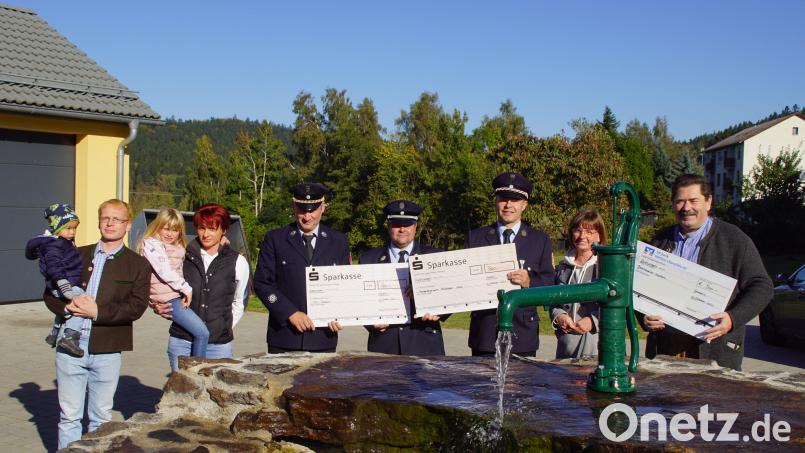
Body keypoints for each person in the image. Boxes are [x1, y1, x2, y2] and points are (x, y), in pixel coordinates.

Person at [42, 199, 151, 449]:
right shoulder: (74, 253)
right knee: (69, 417)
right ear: (99, 221)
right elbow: (49, 293)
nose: (110, 223)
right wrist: (65, 307)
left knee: (101, 419)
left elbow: (137, 307)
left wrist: (98, 311)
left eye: (117, 219)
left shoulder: (138, 264)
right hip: (69, 349)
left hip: (107, 351)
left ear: (128, 225)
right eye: (105, 218)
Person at [640, 174, 773, 371]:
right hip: (666, 348)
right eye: (680, 201)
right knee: (666, 401)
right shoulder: (660, 241)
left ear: (708, 201)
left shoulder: (734, 240)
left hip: (714, 348)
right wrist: (643, 317)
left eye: (693, 201)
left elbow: (762, 286)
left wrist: (732, 318)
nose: (686, 208)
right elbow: (642, 289)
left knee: (710, 402)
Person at [253, 182, 350, 353]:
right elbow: (262, 283)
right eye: (301, 210)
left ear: (323, 207)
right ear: (293, 205)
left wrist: (339, 313)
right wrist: (290, 313)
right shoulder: (275, 239)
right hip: (284, 337)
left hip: (323, 339)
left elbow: (345, 285)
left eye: (312, 210)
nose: (307, 217)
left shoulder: (338, 242)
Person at [152, 204, 250, 371]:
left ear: (224, 229)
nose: (206, 234)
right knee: (182, 395)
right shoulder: (183, 255)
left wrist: (223, 326)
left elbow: (240, 301)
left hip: (218, 346)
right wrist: (157, 307)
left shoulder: (237, 261)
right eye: (201, 228)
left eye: (212, 229)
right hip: (182, 342)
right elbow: (161, 285)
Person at [466, 172, 554, 357]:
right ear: (496, 201)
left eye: (515, 200)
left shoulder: (540, 240)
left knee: (522, 385)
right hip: (485, 331)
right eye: (503, 199)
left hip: (523, 333)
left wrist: (530, 280)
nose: (508, 205)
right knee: (483, 386)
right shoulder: (475, 237)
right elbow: (462, 280)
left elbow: (549, 283)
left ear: (524, 205)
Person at [360, 200, 446, 355]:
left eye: (407, 224)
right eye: (396, 224)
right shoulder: (368, 259)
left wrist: (440, 309)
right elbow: (360, 299)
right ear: (388, 225)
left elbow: (451, 292)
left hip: (424, 343)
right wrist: (371, 323)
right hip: (384, 344)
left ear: (415, 226)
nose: (402, 229)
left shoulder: (434, 256)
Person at [139, 208, 209, 362]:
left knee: (197, 332)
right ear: (158, 226)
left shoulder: (177, 247)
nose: (170, 234)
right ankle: (197, 370)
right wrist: (186, 288)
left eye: (175, 230)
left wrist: (223, 239)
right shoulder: (152, 245)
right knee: (202, 333)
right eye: (166, 228)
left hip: (174, 296)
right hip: (169, 300)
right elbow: (164, 271)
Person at [25, 203, 88, 357]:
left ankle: (54, 333)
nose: (73, 232)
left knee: (66, 309)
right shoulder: (54, 245)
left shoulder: (61, 242)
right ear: (57, 227)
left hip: (64, 282)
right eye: (68, 228)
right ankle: (70, 337)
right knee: (81, 307)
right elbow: (54, 266)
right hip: (66, 283)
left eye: (75, 228)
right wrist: (64, 284)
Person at [550, 209, 607, 359]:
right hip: (566, 346)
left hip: (596, 346)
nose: (582, 236)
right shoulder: (562, 267)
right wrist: (559, 316)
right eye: (577, 230)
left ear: (599, 236)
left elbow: (618, 304)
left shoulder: (606, 267)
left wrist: (592, 320)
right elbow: (552, 301)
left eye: (589, 232)